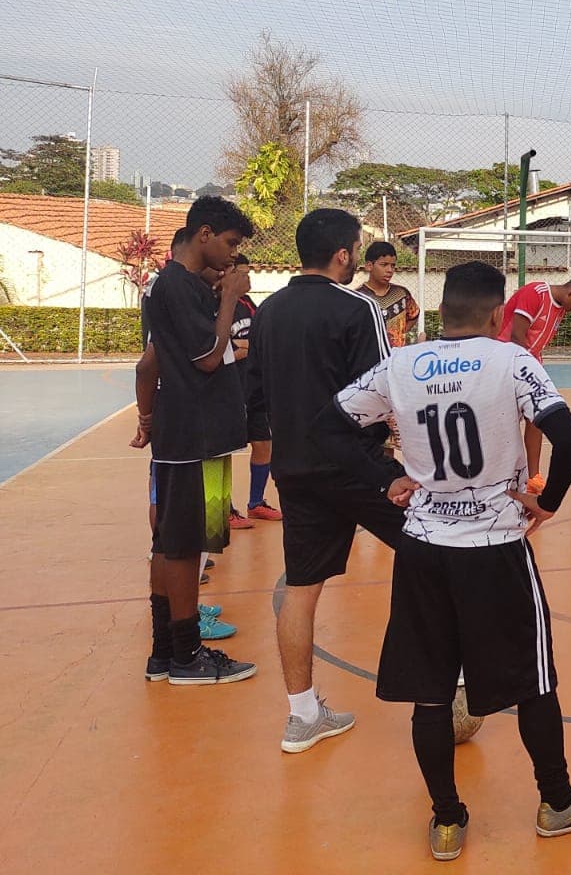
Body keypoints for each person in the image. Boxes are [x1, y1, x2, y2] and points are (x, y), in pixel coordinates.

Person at [316, 261, 571, 860]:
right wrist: (548, 502)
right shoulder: (512, 360)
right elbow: (566, 439)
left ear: (440, 314)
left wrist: (387, 476)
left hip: (425, 548)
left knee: (431, 692)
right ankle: (558, 804)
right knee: (534, 682)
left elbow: (331, 427)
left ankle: (448, 819)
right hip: (494, 547)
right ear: (494, 316)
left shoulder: (400, 366)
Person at [247, 208, 407, 753]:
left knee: (301, 588)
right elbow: (387, 389)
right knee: (433, 548)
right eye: (358, 248)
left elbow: (256, 392)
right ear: (343, 254)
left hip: (295, 468)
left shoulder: (268, 311)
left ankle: (302, 715)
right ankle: (445, 680)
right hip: (358, 466)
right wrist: (397, 464)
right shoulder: (358, 307)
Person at [142, 195, 258, 686]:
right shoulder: (173, 284)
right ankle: (187, 656)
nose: (233, 255)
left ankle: (166, 652)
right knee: (183, 545)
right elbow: (209, 356)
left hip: (201, 436)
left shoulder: (185, 286)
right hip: (192, 436)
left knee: (178, 541)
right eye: (230, 243)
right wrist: (230, 296)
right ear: (204, 233)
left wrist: (147, 415)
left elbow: (150, 362)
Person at [496, 272, 571, 488]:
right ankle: (500, 473)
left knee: (537, 418)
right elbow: (517, 337)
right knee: (504, 422)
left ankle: (533, 476)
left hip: (529, 363)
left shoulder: (561, 308)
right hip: (504, 362)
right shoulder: (535, 293)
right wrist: (532, 372)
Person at [228, 254, 281, 526]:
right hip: (229, 389)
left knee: (263, 443)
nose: (249, 278)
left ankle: (256, 502)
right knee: (223, 450)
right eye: (243, 273)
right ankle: (224, 509)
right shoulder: (220, 305)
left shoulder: (249, 304)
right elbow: (214, 351)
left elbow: (259, 339)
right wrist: (241, 350)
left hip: (253, 389)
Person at [358, 241, 421, 351]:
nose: (389, 270)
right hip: (370, 360)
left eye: (392, 265)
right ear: (369, 266)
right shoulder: (358, 297)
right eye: (384, 265)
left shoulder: (402, 294)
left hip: (397, 359)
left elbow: (414, 315)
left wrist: (399, 333)